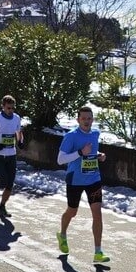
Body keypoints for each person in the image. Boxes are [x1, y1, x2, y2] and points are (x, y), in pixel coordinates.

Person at [56, 106, 109, 263]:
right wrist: (79, 153)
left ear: (92, 120)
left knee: (97, 213)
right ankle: (63, 234)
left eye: (89, 118)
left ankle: (98, 252)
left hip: (93, 179)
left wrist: (99, 156)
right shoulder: (71, 136)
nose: (86, 121)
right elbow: (60, 160)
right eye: (83, 118)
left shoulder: (95, 133)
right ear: (78, 120)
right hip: (75, 180)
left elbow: (91, 153)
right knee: (72, 212)